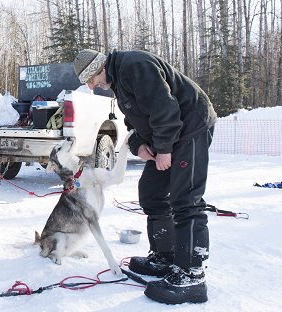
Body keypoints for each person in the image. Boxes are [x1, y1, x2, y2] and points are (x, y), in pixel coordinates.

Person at [73, 49, 217, 304]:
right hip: (169, 135)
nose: (91, 86)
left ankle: (192, 276)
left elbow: (165, 109)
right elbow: (136, 120)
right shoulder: (119, 80)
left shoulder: (135, 66)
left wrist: (163, 150)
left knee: (186, 200)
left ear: (100, 67)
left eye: (91, 79)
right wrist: (140, 143)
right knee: (151, 193)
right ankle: (166, 257)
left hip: (190, 128)